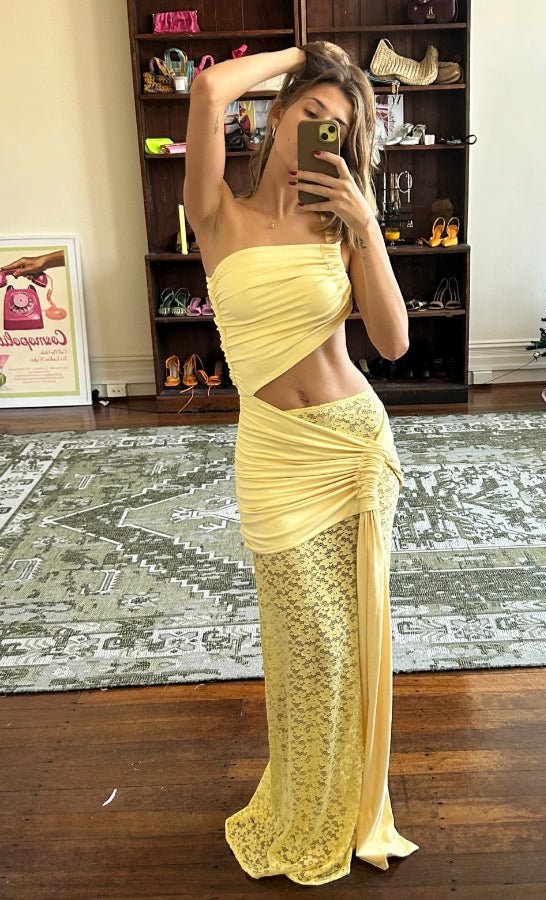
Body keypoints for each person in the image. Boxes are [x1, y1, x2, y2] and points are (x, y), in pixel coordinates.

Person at [184, 41, 418, 886]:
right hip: (275, 459)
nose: (320, 131)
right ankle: (304, 805)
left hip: (352, 447)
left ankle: (345, 811)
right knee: (306, 646)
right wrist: (306, 54)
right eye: (309, 113)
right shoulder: (215, 212)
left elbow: (392, 342)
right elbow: (208, 90)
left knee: (349, 644)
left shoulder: (338, 221)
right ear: (277, 114)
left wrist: (366, 227)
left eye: (338, 126)